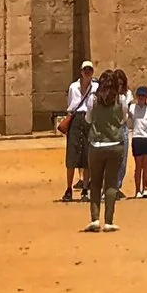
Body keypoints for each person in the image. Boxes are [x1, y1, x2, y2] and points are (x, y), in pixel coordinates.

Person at [81, 69, 129, 233]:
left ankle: (95, 219)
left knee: (95, 182)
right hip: (115, 144)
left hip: (96, 145)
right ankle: (109, 221)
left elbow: (88, 119)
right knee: (111, 184)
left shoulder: (93, 100)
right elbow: (124, 119)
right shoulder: (121, 99)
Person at [57, 61, 97, 202]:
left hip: (89, 119)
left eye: (90, 70)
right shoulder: (73, 87)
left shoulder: (95, 87)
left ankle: (85, 189)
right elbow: (71, 105)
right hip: (75, 119)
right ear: (81, 72)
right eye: (85, 70)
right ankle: (68, 189)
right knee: (72, 155)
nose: (87, 73)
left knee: (87, 155)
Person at [129, 83, 147, 197]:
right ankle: (137, 190)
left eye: (143, 96)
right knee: (138, 166)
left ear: (146, 97)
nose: (141, 98)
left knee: (146, 166)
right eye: (139, 96)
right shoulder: (131, 108)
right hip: (137, 137)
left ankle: (145, 188)